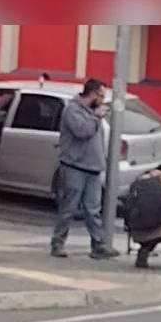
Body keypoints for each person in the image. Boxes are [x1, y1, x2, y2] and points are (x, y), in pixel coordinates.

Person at [50, 78, 118, 259]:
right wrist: (96, 116)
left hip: (93, 167)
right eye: (101, 95)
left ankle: (98, 245)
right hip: (75, 166)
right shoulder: (73, 110)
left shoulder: (92, 112)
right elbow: (82, 132)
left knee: (93, 209)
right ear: (93, 94)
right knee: (69, 207)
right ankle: (57, 242)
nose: (103, 99)